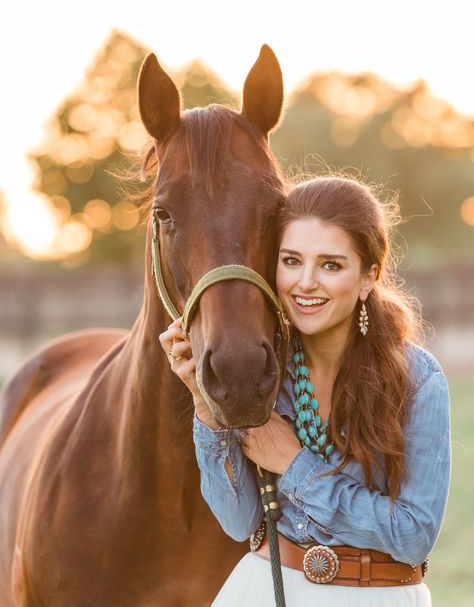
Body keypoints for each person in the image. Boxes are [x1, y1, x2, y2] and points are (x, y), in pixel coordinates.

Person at [160, 175, 451, 607]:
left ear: (369, 276)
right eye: (291, 261)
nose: (305, 283)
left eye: (330, 265)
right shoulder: (263, 372)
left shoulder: (417, 379)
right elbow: (239, 521)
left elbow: (412, 535)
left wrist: (294, 465)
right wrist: (205, 407)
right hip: (263, 590)